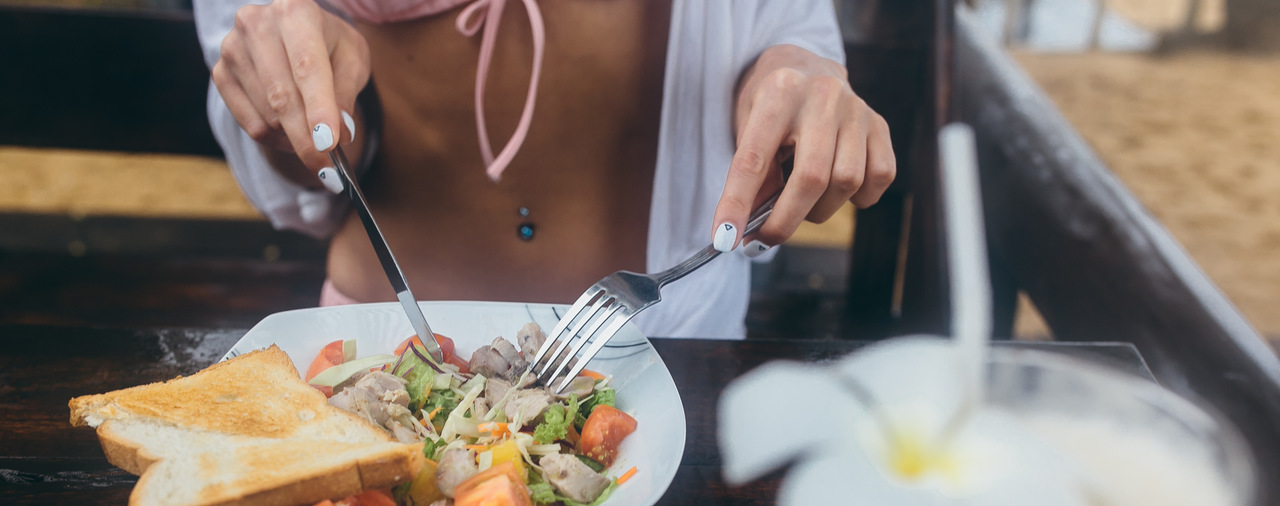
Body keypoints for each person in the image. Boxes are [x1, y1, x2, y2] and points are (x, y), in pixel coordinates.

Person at [193, 0, 895, 338]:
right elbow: (322, 151)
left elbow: (778, 27)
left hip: (666, 357)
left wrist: (792, 73)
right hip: (381, 348)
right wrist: (295, 103)